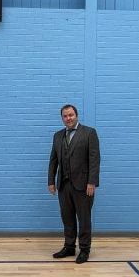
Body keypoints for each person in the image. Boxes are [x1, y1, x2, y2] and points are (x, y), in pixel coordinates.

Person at [48, 104, 101, 264]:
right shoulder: (57, 136)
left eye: (71, 115)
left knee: (84, 218)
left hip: (83, 185)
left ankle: (84, 250)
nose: (68, 118)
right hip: (64, 185)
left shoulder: (89, 133)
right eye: (65, 116)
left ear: (76, 115)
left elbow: (94, 160)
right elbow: (53, 160)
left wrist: (92, 182)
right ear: (62, 118)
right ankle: (69, 246)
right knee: (67, 218)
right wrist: (51, 181)